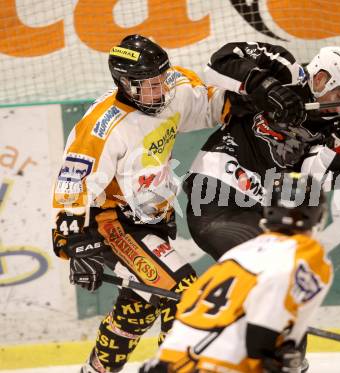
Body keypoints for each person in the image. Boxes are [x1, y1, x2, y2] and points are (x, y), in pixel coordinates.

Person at [51, 34, 226, 373]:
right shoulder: (102, 128)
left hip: (149, 221)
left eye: (161, 79)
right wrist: (72, 243)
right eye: (147, 85)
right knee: (183, 293)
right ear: (124, 84)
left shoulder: (172, 89)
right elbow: (73, 185)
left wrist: (254, 102)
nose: (159, 90)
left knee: (141, 304)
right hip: (112, 222)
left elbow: (212, 105)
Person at [184, 41, 340, 261]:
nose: (339, 108)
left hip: (259, 210)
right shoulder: (283, 69)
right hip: (217, 191)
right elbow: (217, 63)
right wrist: (268, 87)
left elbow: (316, 177)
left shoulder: (331, 126)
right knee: (266, 267)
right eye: (338, 96)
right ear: (321, 79)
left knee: (286, 269)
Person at [139, 173, 333, 373]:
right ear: (318, 215)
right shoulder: (307, 256)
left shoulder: (240, 251)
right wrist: (281, 356)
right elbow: (259, 344)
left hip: (162, 363)